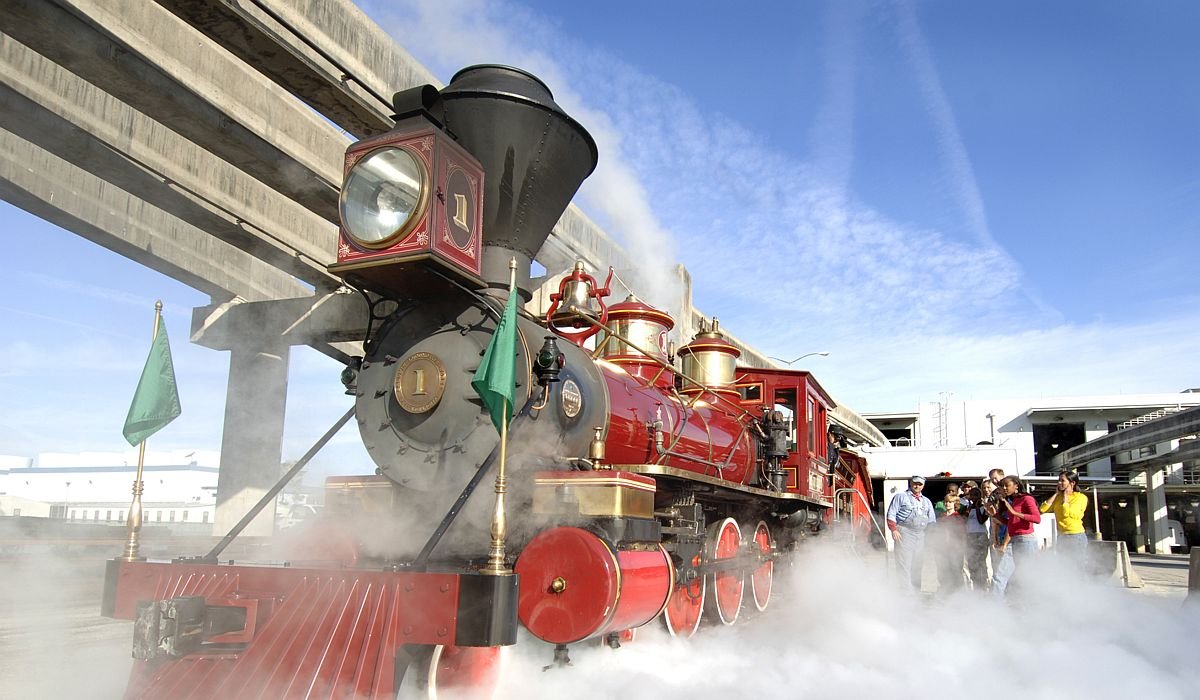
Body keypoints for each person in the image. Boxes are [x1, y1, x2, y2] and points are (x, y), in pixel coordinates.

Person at [988, 475, 1041, 596]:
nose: (1004, 488)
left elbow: (1037, 519)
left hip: (1026, 541)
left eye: (1007, 485)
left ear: (1016, 485)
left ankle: (1032, 605)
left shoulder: (1027, 499)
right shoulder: (1013, 501)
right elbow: (1012, 524)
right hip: (1014, 540)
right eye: (1003, 486)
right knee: (1000, 574)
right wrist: (996, 516)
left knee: (1027, 575)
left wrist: (1013, 512)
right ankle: (993, 607)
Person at [886, 475, 938, 591]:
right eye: (915, 483)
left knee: (918, 563)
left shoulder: (927, 501)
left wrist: (931, 537)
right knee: (904, 563)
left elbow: (932, 521)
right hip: (904, 532)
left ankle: (916, 592)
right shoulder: (901, 496)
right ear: (910, 483)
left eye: (920, 484)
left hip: (921, 534)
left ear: (923, 486)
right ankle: (906, 593)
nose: (917, 486)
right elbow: (891, 514)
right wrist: (894, 529)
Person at [1040, 469, 1089, 567]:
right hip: (1062, 535)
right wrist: (1056, 494)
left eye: (1062, 480)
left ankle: (1082, 582)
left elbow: (1068, 513)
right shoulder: (1058, 497)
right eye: (1059, 480)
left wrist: (1066, 497)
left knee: (1078, 566)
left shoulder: (1081, 497)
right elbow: (1042, 509)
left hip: (1075, 536)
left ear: (1072, 483)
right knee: (1064, 565)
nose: (1059, 482)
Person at [933, 483, 966, 594]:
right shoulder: (941, 517)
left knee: (955, 571)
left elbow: (961, 535)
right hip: (942, 548)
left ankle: (958, 592)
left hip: (954, 548)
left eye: (950, 502)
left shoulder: (958, 518)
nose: (947, 504)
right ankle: (945, 591)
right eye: (946, 502)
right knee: (943, 570)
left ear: (955, 504)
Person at [964, 483, 991, 590]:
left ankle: (983, 585)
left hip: (980, 536)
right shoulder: (968, 507)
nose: (973, 497)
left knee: (980, 562)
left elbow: (981, 520)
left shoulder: (984, 507)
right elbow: (964, 520)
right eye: (972, 495)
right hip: (970, 536)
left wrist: (977, 507)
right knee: (971, 561)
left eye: (976, 495)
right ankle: (975, 584)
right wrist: (969, 509)